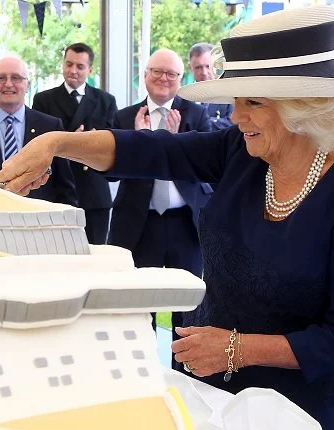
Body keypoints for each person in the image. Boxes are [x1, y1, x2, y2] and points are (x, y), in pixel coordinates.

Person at [0, 6, 334, 429]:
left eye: (252, 102)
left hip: (295, 408)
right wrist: (56, 143)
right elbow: (154, 150)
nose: (236, 116)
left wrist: (238, 349)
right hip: (205, 387)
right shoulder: (242, 151)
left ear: (303, 107)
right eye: (235, 101)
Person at [111, 48, 212, 362]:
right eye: (157, 71)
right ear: (145, 75)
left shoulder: (195, 114)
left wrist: (171, 142)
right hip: (140, 225)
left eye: (171, 74)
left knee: (188, 307)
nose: (163, 79)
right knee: (140, 306)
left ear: (180, 80)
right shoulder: (124, 116)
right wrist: (140, 144)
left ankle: (186, 376)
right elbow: (110, 172)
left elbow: (208, 170)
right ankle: (141, 371)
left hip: (185, 224)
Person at [0, 55, 77, 206]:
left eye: (16, 78)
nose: (8, 84)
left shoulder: (51, 128)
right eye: (1, 78)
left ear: (28, 85)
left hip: (39, 222)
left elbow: (65, 188)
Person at [32, 42, 117, 243]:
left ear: (90, 70)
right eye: (69, 64)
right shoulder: (44, 100)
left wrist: (90, 142)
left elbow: (112, 144)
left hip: (94, 192)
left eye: (80, 66)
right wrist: (71, 140)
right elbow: (39, 144)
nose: (73, 71)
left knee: (95, 258)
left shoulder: (106, 100)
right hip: (56, 190)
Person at [188, 43, 233, 130]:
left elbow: (233, 125)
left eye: (208, 66)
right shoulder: (182, 98)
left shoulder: (230, 96)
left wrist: (196, 123)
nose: (204, 72)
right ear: (190, 67)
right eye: (198, 67)